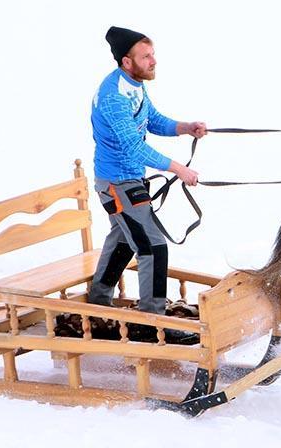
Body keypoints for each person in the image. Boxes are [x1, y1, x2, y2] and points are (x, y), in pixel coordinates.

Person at [88, 26, 205, 344]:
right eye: (146, 56)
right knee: (152, 245)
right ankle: (153, 323)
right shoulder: (113, 97)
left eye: (152, 54)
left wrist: (185, 127)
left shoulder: (134, 86)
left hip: (131, 179)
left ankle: (97, 304)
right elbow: (133, 147)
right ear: (127, 61)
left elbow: (152, 120)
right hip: (117, 182)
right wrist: (179, 168)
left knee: (125, 239)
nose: (153, 61)